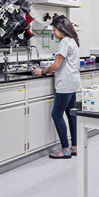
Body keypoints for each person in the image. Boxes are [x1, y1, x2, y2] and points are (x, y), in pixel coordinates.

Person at [32, 15, 81, 159]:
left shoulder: (64, 42)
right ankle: (75, 147)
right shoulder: (73, 40)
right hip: (73, 83)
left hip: (65, 84)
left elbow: (56, 65)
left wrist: (42, 71)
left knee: (56, 115)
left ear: (61, 29)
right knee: (71, 115)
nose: (54, 32)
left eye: (54, 29)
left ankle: (65, 150)